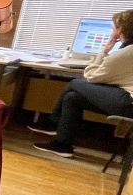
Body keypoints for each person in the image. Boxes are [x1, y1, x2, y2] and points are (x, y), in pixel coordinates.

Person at [30, 10, 133, 158]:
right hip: (127, 100)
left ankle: (52, 122)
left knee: (75, 83)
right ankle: (62, 145)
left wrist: (104, 51)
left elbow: (91, 76)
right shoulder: (127, 50)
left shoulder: (125, 54)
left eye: (115, 27)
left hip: (128, 103)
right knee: (72, 98)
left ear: (122, 30)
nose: (113, 30)